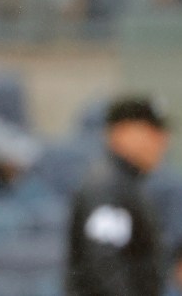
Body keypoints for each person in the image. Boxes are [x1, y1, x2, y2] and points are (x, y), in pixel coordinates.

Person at [66, 94, 171, 296]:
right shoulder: (106, 187)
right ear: (121, 132)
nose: (161, 141)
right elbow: (104, 266)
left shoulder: (125, 183)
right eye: (151, 131)